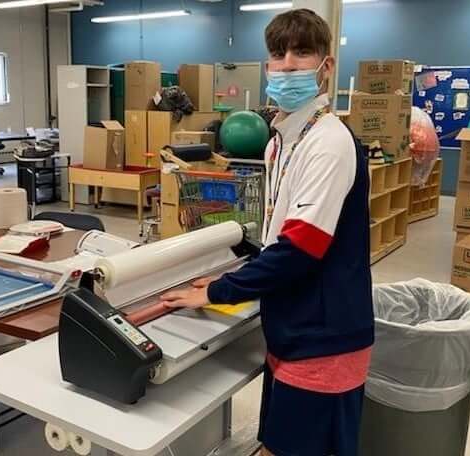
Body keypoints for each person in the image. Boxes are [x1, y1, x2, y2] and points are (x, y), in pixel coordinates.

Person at [160, 8, 374, 456]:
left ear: (326, 67)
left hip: (322, 339)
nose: (287, 65)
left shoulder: (329, 142)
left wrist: (222, 290)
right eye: (278, 55)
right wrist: (240, 269)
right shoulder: (280, 141)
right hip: (291, 326)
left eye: (302, 53)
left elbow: (299, 248)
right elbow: (282, 234)